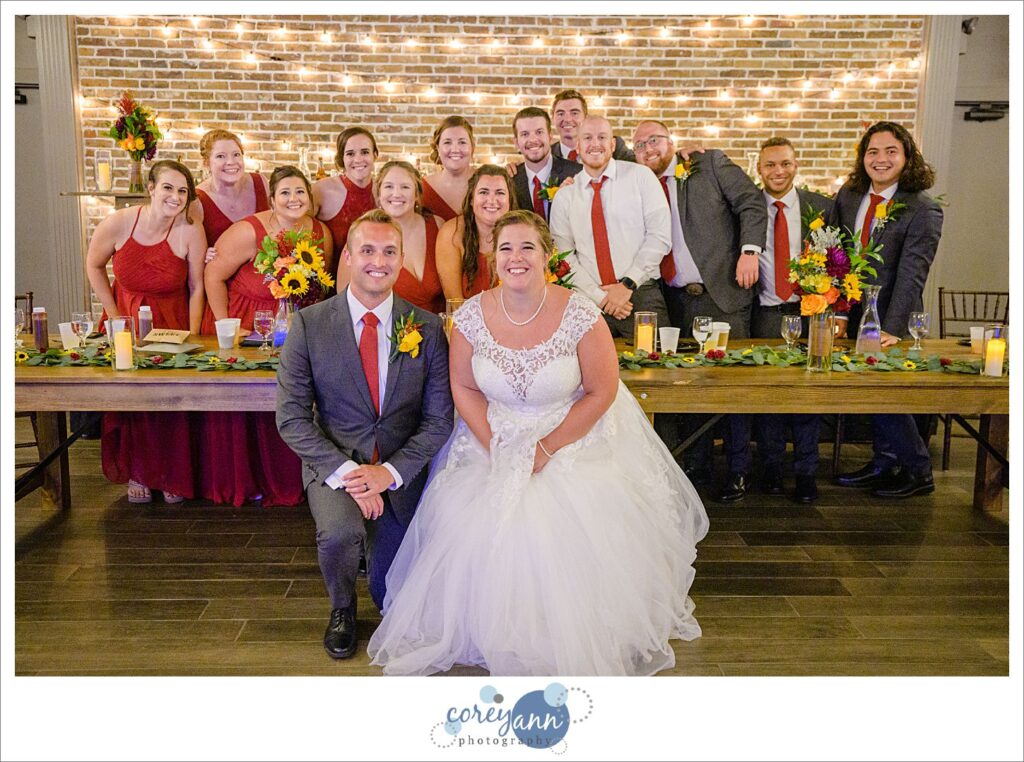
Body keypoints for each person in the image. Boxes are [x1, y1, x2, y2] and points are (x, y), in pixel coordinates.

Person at [368, 210, 709, 675]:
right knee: (468, 517)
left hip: (570, 436)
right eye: (506, 248)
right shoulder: (470, 314)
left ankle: (571, 628)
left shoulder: (580, 312)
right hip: (493, 435)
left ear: (548, 255)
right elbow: (463, 388)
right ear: (493, 257)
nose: (516, 257)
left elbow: (602, 391)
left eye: (528, 247)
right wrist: (494, 444)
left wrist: (546, 449)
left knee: (574, 515)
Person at [276, 209, 454, 660]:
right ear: (350, 258)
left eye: (389, 251)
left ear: (402, 259)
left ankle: (378, 582)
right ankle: (340, 606)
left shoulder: (428, 328)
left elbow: (438, 420)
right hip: (336, 465)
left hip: (400, 469)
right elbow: (292, 418)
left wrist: (389, 473)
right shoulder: (310, 325)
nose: (379, 260)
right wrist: (351, 473)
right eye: (368, 250)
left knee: (388, 595)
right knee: (338, 535)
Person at [631, 119, 767, 500]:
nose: (647, 148)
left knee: (731, 387)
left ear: (671, 142)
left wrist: (749, 251)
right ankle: (698, 464)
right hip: (675, 301)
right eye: (639, 145)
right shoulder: (639, 184)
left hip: (721, 294)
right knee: (687, 387)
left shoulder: (706, 163)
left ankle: (739, 469)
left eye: (654, 139)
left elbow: (752, 202)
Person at [200, 166, 333, 507]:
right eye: (285, 193)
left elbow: (321, 287)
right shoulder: (248, 231)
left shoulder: (320, 233)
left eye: (300, 192)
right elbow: (213, 275)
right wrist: (226, 324)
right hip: (251, 320)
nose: (293, 199)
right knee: (253, 402)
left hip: (297, 327)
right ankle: (251, 478)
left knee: (293, 399)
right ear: (272, 199)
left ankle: (295, 478)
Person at [830, 121, 943, 499]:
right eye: (872, 152)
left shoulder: (922, 208)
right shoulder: (849, 196)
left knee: (890, 394)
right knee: (869, 393)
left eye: (890, 151)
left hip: (895, 314)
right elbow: (838, 258)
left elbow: (913, 274)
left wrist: (890, 327)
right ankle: (884, 463)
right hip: (854, 309)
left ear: (907, 157)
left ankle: (917, 470)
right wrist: (841, 313)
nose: (880, 160)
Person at [85, 160, 207, 504]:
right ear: (151, 188)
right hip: (124, 318)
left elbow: (197, 287)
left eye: (183, 190)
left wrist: (194, 333)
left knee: (168, 402)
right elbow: (93, 264)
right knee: (132, 401)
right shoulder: (119, 222)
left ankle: (171, 473)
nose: (175, 196)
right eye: (168, 187)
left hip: (172, 320)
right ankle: (138, 471)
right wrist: (112, 317)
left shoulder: (190, 229)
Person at [747, 137, 833, 504]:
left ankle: (806, 472)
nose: (777, 171)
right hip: (765, 313)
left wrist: (834, 309)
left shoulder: (821, 207)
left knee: (808, 398)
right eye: (769, 165)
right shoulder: (748, 207)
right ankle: (769, 468)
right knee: (769, 397)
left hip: (810, 313)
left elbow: (838, 260)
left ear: (796, 166)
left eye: (784, 164)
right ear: (759, 169)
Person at [549, 115, 671, 337]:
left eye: (602, 137)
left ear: (613, 144)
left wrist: (627, 285)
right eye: (587, 137)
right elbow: (563, 258)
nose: (595, 144)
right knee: (589, 371)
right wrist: (601, 297)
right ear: (578, 146)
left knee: (657, 368)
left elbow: (659, 236)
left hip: (640, 296)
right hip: (587, 302)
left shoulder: (640, 177)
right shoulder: (565, 196)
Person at [192, 129, 270, 335]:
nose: (231, 162)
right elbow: (187, 250)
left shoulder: (260, 182)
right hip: (222, 295)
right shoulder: (198, 201)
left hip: (261, 293)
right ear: (206, 163)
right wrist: (201, 253)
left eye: (236, 154)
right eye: (220, 156)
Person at [374, 160, 447, 315]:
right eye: (388, 186)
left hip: (438, 333)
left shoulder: (438, 226)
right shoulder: (364, 236)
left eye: (405, 187)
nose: (396, 194)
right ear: (379, 195)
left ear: (416, 194)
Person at [436, 165, 515, 300]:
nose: (491, 200)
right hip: (466, 318)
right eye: (484, 192)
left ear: (509, 200)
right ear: (472, 199)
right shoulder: (452, 233)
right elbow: (454, 302)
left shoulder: (524, 233)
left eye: (500, 193)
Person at [314, 126, 378, 277]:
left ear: (375, 155)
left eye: (365, 152)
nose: (358, 159)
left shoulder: (385, 192)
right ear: (341, 158)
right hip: (330, 284)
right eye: (350, 154)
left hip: (374, 279)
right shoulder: (321, 190)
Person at [508, 106, 580, 221]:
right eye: (525, 134)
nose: (533, 140)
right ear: (516, 142)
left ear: (550, 136)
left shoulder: (577, 173)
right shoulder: (509, 180)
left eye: (539, 132)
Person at [549, 89, 635, 163]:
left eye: (574, 113)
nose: (567, 119)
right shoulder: (547, 154)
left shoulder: (613, 146)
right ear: (553, 118)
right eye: (560, 114)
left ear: (585, 117)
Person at [421, 115, 476, 222]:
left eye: (462, 142)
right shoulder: (422, 189)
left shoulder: (486, 181)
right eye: (447, 142)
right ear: (438, 147)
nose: (455, 149)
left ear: (472, 146)